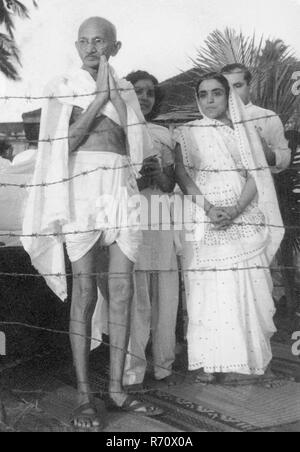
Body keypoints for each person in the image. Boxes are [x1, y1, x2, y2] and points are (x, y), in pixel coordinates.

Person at [21, 17, 162, 431]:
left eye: (99, 41)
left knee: (121, 291)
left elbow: (139, 153)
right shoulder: (62, 86)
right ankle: (85, 396)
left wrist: (116, 101)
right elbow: (59, 147)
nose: (90, 48)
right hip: (81, 189)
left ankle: (117, 389)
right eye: (83, 41)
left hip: (120, 189)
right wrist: (99, 100)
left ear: (114, 48)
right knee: (84, 291)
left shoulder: (126, 92)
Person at [174, 72, 284, 380]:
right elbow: (182, 175)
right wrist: (209, 209)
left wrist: (235, 210)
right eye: (204, 94)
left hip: (243, 209)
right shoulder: (187, 131)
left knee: (251, 283)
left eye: (217, 93)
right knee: (208, 288)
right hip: (203, 210)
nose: (210, 100)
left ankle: (256, 360)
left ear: (228, 96)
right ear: (197, 99)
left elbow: (257, 174)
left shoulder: (247, 131)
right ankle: (211, 363)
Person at [122, 71, 179, 388]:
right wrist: (141, 178)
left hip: (160, 221)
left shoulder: (163, 133)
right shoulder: (119, 130)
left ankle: (164, 366)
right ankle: (132, 369)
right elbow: (116, 184)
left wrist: (157, 174)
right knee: (136, 299)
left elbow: (171, 184)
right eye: (137, 92)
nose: (143, 98)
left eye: (149, 93)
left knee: (166, 300)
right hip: (132, 220)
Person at [221, 63, 291, 173]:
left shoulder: (267, 117)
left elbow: (285, 159)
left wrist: (267, 152)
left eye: (238, 86)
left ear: (250, 87)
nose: (232, 93)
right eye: (227, 88)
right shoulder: (214, 119)